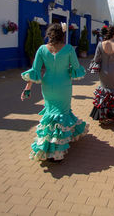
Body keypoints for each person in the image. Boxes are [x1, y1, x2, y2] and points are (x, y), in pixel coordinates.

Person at [21, 23, 88, 162]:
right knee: (62, 114)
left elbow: (35, 71)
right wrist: (69, 71)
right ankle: (57, 151)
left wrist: (27, 89)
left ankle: (47, 145)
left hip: (47, 85)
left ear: (49, 35)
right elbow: (76, 68)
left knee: (50, 113)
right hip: (63, 85)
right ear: (62, 35)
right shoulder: (69, 49)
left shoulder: (41, 49)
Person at [89, 26, 114, 123]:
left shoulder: (100, 44)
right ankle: (113, 114)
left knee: (103, 91)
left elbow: (96, 59)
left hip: (103, 71)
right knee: (113, 91)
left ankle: (103, 115)